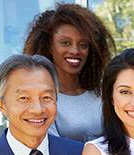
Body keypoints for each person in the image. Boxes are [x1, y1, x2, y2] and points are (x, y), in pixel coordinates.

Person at [23, 3, 115, 142]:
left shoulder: (101, 92)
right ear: (49, 46)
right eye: (65, 43)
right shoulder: (42, 99)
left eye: (83, 45)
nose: (75, 51)